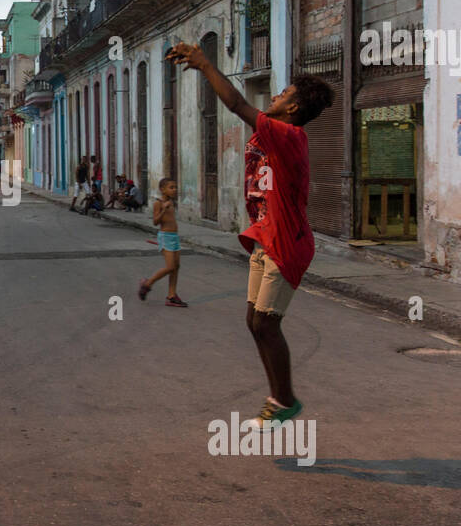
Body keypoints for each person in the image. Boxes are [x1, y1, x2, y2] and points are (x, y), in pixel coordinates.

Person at [167, 41, 334, 430]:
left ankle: (284, 401)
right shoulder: (273, 136)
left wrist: (204, 63)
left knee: (266, 323)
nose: (276, 95)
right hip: (265, 237)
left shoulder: (288, 137)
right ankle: (279, 400)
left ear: (293, 109)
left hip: (287, 242)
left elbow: (237, 105)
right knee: (253, 321)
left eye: (284, 94)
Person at [139, 178, 187, 307]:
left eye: (175, 187)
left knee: (176, 267)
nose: (174, 190)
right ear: (162, 189)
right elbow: (155, 222)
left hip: (174, 237)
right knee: (170, 266)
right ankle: (147, 284)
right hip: (165, 237)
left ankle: (171, 296)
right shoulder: (158, 203)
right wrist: (164, 209)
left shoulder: (171, 202)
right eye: (171, 187)